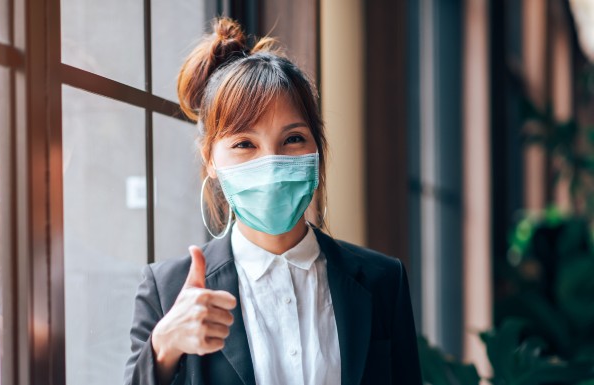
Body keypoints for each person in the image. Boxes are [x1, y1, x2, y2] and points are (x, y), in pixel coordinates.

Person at [124, 17, 422, 385]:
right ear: (210, 161)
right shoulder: (167, 289)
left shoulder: (382, 281)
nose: (272, 163)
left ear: (318, 148)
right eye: (244, 144)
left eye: (293, 139)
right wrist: (164, 345)